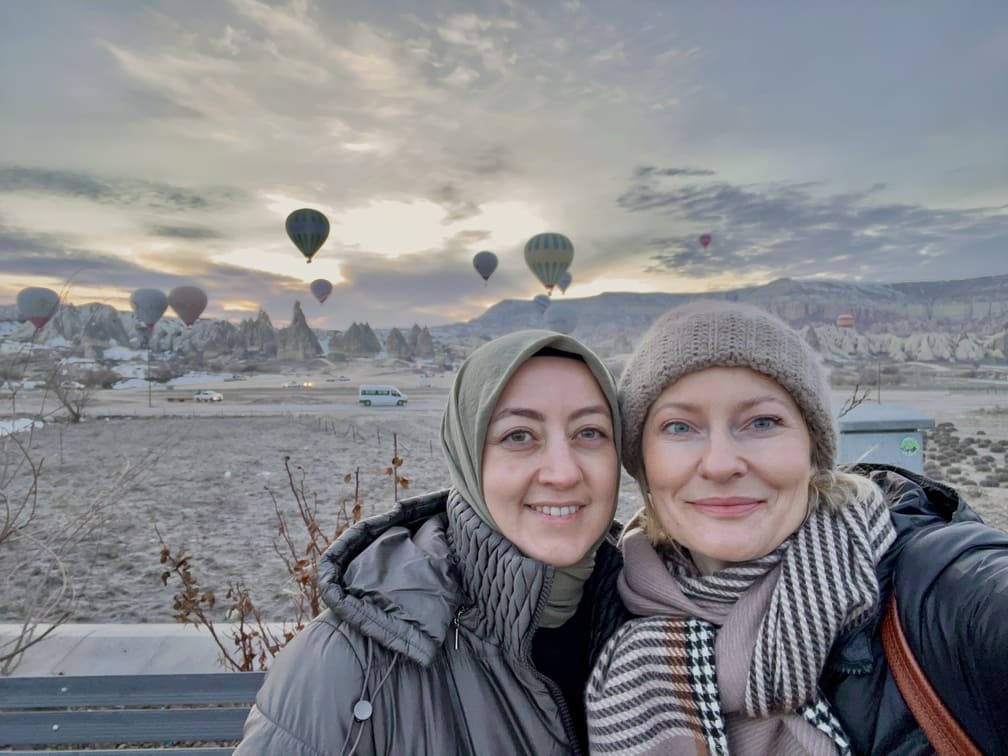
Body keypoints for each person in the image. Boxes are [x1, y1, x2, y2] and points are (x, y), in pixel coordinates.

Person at [586, 300, 1008, 755]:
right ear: (642, 462)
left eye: (763, 422)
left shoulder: (940, 591)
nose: (722, 464)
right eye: (680, 427)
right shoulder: (598, 607)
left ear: (812, 450)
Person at [237, 329, 628, 755]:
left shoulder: (668, 624)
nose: (563, 473)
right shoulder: (352, 662)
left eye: (590, 433)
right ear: (466, 457)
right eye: (519, 436)